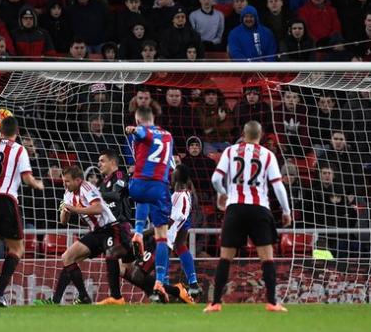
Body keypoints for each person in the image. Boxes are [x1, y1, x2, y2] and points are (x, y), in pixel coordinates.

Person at [205, 120, 291, 313]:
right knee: (267, 258)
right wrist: (286, 211)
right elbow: (278, 185)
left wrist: (224, 193)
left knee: (225, 257)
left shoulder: (230, 151)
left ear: (243, 134)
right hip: (259, 208)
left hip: (235, 208)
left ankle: (215, 303)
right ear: (260, 135)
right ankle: (272, 302)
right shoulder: (268, 155)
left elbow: (216, 179)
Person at [34, 166, 127, 305]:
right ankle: (77, 297)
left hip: (110, 229)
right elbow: (63, 221)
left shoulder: (87, 188)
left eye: (68, 181)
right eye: (64, 181)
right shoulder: (67, 194)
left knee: (125, 268)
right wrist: (65, 212)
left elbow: (98, 208)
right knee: (67, 257)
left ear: (78, 180)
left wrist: (74, 209)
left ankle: (119, 297)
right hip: (96, 232)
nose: (65, 184)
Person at [0, 116, 44, 307]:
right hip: (6, 200)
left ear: (0, 131)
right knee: (17, 248)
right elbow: (27, 178)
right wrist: (39, 185)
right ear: (17, 132)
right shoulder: (19, 149)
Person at [125, 106, 174, 303]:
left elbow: (143, 132)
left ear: (138, 120)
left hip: (137, 184)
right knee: (162, 238)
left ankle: (137, 231)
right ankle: (160, 282)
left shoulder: (141, 130)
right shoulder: (168, 135)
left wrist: (133, 130)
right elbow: (170, 164)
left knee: (141, 196)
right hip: (159, 188)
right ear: (153, 117)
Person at [95, 149, 132, 305]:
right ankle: (171, 291)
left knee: (116, 258)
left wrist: (95, 194)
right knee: (129, 271)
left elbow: (117, 195)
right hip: (109, 228)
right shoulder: (103, 182)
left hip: (121, 226)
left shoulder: (120, 176)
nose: (99, 164)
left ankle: (116, 297)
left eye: (102, 160)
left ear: (112, 162)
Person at [167, 164, 201, 298]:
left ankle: (163, 284)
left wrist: (151, 231)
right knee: (180, 246)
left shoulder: (178, 194)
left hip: (176, 220)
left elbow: (171, 220)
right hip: (184, 217)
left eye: (173, 174)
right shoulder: (186, 192)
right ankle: (193, 284)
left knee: (165, 247)